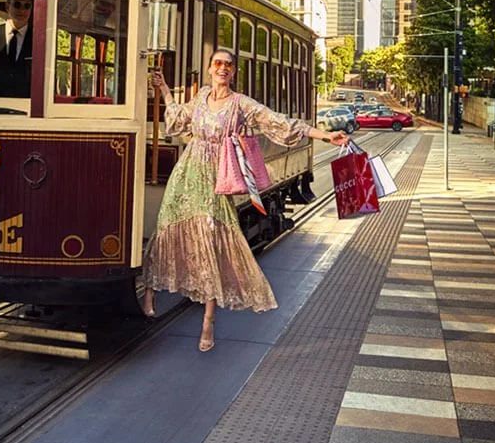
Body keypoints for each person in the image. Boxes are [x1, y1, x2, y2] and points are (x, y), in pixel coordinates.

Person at [141, 49, 349, 352]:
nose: (222, 69)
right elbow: (176, 119)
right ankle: (150, 290)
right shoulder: (200, 98)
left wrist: (325, 136)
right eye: (217, 64)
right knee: (166, 227)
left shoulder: (241, 104)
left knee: (210, 243)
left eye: (227, 65)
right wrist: (162, 88)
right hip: (186, 175)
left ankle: (209, 320)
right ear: (210, 69)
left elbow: (278, 122)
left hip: (217, 180)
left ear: (233, 71)